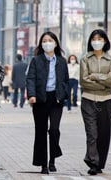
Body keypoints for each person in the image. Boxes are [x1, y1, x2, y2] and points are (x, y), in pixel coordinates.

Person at [26, 31, 69, 174]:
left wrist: (64, 94)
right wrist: (31, 95)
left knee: (54, 130)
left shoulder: (62, 61)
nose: (47, 43)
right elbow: (30, 78)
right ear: (41, 44)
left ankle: (53, 160)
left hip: (56, 100)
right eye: (44, 41)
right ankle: (44, 164)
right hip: (40, 99)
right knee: (41, 132)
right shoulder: (36, 60)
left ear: (55, 43)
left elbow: (65, 80)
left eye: (50, 40)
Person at [79, 29, 111, 175]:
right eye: (94, 39)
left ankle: (100, 163)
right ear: (90, 41)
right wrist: (103, 81)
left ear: (105, 41)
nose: (97, 41)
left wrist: (93, 76)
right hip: (88, 99)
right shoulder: (85, 59)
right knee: (92, 133)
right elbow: (84, 81)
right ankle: (93, 162)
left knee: (104, 133)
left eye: (100, 39)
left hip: (106, 101)